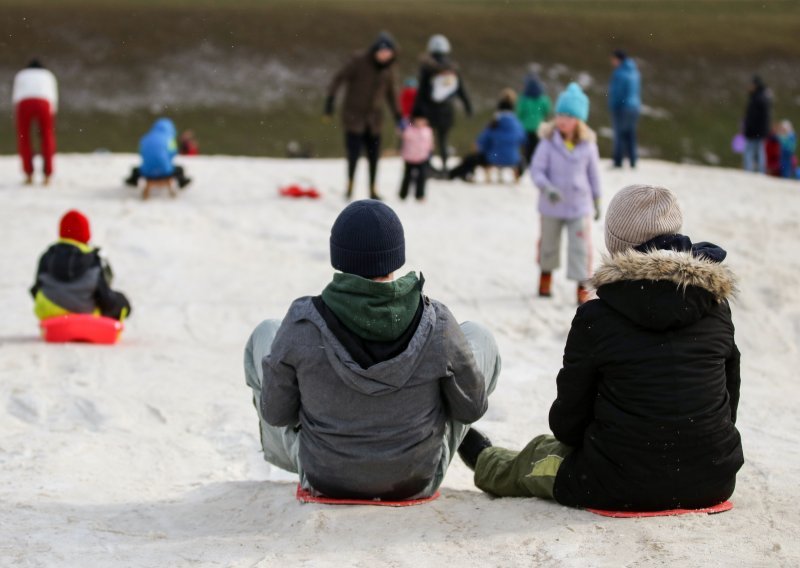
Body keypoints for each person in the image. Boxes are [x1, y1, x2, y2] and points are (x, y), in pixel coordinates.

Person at [463, 184, 744, 512]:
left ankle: (486, 460)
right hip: (712, 478)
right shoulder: (715, 305)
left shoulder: (597, 315)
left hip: (618, 482)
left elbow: (567, 423)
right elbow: (729, 397)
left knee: (540, 456)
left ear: (617, 244)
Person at [244, 200, 500, 500]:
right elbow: (472, 407)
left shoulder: (301, 322)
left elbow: (276, 414)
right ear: (397, 256)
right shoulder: (438, 322)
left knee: (266, 333)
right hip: (415, 479)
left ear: (337, 256)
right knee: (478, 337)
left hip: (325, 477)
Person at [531, 82, 601, 305]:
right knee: (549, 243)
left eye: (569, 115)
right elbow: (537, 170)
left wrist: (597, 198)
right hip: (551, 205)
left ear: (579, 119)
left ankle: (581, 286)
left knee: (580, 248)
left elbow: (594, 174)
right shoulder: (548, 142)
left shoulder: (588, 145)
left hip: (579, 206)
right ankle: (545, 277)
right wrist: (547, 187)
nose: (562, 119)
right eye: (560, 113)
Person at [325, 32, 401, 200]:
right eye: (382, 52)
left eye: (388, 53)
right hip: (354, 117)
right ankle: (349, 187)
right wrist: (330, 100)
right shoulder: (358, 61)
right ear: (375, 50)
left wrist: (398, 116)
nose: (384, 56)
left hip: (374, 120)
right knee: (353, 154)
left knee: (374, 157)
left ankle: (373, 189)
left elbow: (392, 94)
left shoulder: (389, 69)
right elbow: (339, 78)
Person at [30, 210, 132, 321]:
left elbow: (37, 288)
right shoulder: (93, 259)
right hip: (84, 313)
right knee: (120, 300)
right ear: (86, 234)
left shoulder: (47, 256)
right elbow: (105, 297)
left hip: (48, 312)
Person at [413, 34, 472, 171]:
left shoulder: (426, 68)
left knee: (428, 139)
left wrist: (416, 111)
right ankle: (445, 165)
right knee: (443, 140)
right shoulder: (452, 68)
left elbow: (421, 91)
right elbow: (460, 89)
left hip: (430, 110)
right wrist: (468, 107)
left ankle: (427, 165)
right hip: (447, 110)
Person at [448, 90, 526, 182]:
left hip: (493, 158)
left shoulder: (495, 123)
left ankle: (453, 174)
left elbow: (479, 143)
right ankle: (518, 175)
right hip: (513, 159)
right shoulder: (518, 124)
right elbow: (523, 141)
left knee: (471, 159)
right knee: (523, 160)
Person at [12, 59, 58, 185]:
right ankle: (47, 175)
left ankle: (28, 174)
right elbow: (53, 96)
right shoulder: (48, 75)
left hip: (24, 102)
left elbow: (16, 95)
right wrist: (52, 112)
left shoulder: (21, 74)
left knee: (24, 137)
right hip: (44, 102)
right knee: (47, 137)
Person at [124, 118, 192, 188]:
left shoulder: (146, 137)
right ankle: (182, 182)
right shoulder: (170, 139)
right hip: (165, 171)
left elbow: (142, 152)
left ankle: (133, 181)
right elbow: (173, 153)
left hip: (147, 171)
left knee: (135, 170)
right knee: (179, 169)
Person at [608, 49, 641, 169]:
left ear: (618, 59)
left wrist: (614, 105)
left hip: (622, 108)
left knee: (619, 134)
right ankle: (633, 160)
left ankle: (618, 161)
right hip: (634, 107)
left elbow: (618, 93)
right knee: (630, 134)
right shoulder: (634, 71)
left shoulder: (619, 73)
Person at [516, 67, 552, 163]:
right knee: (538, 149)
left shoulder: (523, 99)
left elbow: (519, 113)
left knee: (527, 150)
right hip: (539, 128)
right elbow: (547, 110)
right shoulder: (543, 98)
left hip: (525, 128)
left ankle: (527, 164)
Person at [399, 109, 434, 201]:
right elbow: (403, 134)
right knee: (407, 177)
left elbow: (430, 143)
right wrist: (406, 123)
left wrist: (430, 153)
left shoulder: (428, 131)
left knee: (422, 177)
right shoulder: (409, 129)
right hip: (409, 157)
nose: (420, 122)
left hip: (422, 157)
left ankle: (420, 195)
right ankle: (403, 194)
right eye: (418, 120)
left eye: (422, 120)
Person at [742, 75, 772, 173]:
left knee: (751, 151)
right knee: (759, 151)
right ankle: (759, 171)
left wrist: (749, 128)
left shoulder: (758, 98)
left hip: (755, 131)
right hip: (759, 131)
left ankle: (749, 170)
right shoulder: (762, 96)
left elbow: (755, 118)